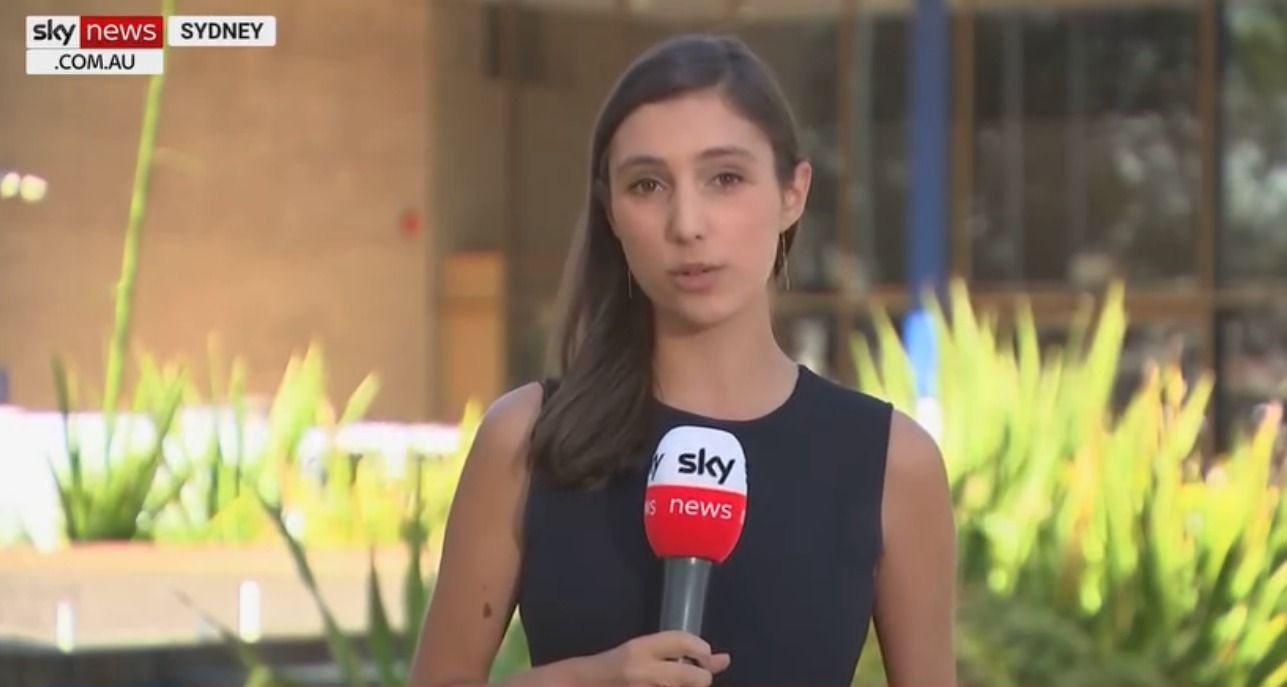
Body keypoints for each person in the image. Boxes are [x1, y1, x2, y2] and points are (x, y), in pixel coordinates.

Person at [408, 33, 957, 687]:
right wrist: (591, 679)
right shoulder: (526, 439)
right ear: (611, 210)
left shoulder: (892, 462)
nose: (687, 223)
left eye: (725, 178)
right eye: (647, 184)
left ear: (793, 192)